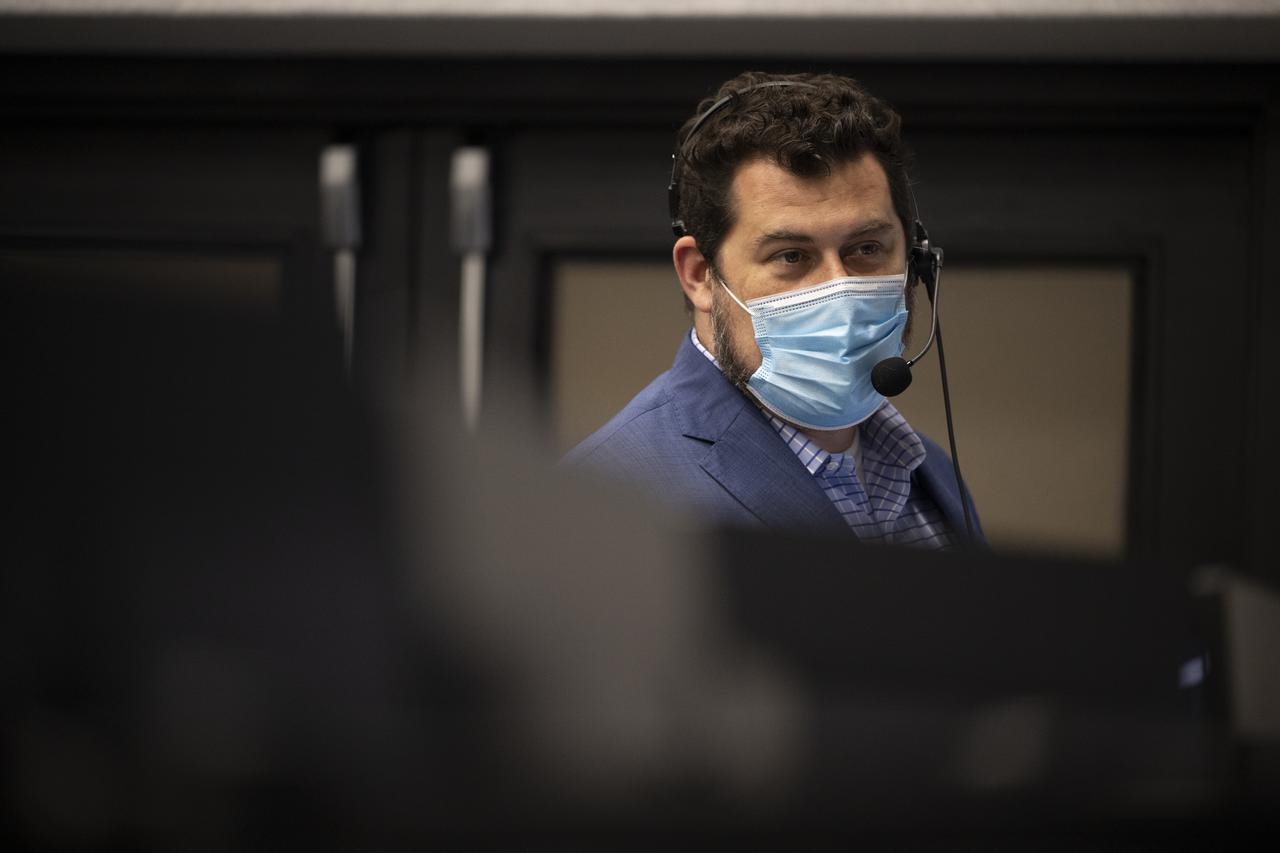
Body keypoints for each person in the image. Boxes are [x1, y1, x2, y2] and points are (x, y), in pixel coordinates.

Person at [566, 71, 981, 547]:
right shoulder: (607, 502)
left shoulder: (931, 473)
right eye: (791, 256)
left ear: (913, 256)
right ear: (700, 274)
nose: (839, 289)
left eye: (866, 248)